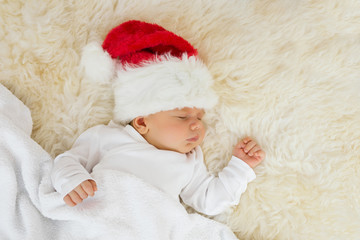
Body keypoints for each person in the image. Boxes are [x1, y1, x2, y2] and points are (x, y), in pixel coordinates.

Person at [51, 20, 265, 216]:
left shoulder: (190, 160)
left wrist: (240, 166)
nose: (197, 125)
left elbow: (209, 201)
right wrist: (73, 180)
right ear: (142, 122)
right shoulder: (107, 137)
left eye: (200, 117)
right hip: (101, 215)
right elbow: (68, 160)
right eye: (182, 117)